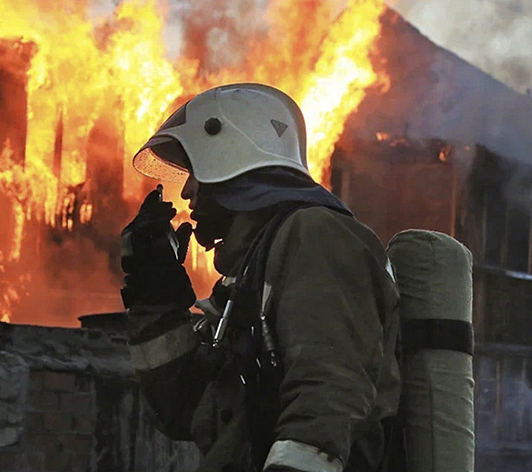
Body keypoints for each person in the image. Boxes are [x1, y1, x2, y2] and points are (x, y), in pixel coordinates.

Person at [119, 83, 401, 472]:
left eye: (196, 171)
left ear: (232, 160)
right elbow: (188, 412)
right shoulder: (251, 274)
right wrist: (156, 293)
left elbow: (329, 397)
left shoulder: (316, 236)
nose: (186, 192)